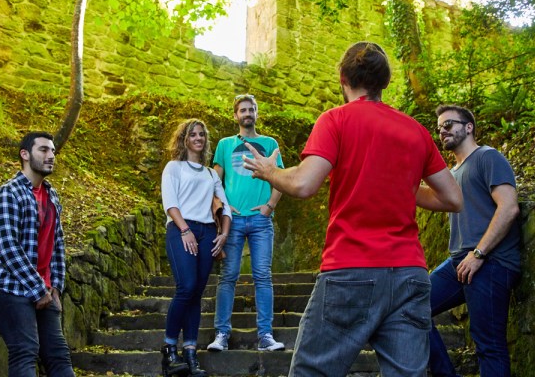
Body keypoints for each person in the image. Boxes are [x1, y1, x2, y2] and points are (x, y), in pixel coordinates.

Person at [242, 41, 463, 377]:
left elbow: (303, 184)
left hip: (351, 270)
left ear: (343, 78)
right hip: (409, 274)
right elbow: (452, 199)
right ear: (385, 82)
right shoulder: (416, 131)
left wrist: (268, 171)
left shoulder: (335, 120)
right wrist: (399, 184)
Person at [429, 105, 521, 377]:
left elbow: (509, 208)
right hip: (459, 262)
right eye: (439, 128)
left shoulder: (487, 157)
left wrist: (479, 254)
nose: (442, 131)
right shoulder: (453, 173)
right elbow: (430, 197)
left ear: (469, 127)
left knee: (488, 346)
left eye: (448, 125)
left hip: (491, 262)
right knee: (411, 308)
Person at [0, 131, 75, 377]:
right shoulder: (8, 193)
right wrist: (37, 288)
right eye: (43, 150)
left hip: (42, 288)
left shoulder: (51, 196)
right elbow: (6, 245)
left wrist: (55, 287)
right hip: (7, 284)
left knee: (59, 355)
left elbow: (58, 244)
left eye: (53, 151)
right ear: (25, 154)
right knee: (25, 350)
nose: (51, 155)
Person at [207, 94, 285, 353]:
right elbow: (214, 183)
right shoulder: (225, 145)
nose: (247, 113)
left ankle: (265, 335)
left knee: (263, 276)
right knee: (228, 276)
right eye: (242, 110)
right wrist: (224, 208)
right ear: (235, 115)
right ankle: (221, 334)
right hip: (234, 221)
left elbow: (280, 178)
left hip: (262, 221)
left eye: (251, 109)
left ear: (257, 113)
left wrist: (269, 207)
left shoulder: (269, 142)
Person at [161, 119, 232, 377]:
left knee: (197, 293)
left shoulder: (211, 174)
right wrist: (185, 230)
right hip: (181, 229)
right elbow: (170, 203)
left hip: (207, 233)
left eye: (202, 134)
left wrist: (223, 234)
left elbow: (224, 207)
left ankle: (190, 353)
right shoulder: (174, 167)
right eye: (193, 134)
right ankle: (169, 349)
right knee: (187, 287)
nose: (198, 138)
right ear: (184, 139)